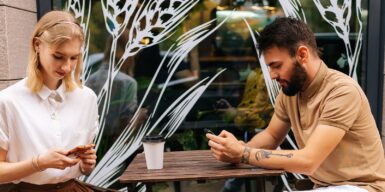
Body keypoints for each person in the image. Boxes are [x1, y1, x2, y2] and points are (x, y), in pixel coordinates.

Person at [206, 17, 385, 192]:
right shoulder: (290, 91)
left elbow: (308, 162)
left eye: (276, 65)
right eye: (269, 67)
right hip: (324, 187)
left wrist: (244, 154)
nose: (272, 75)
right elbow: (271, 136)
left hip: (363, 187)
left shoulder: (341, 91)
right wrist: (236, 149)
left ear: (302, 54)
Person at [0, 11, 103, 191]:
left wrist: (86, 165)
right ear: (37, 45)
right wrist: (39, 163)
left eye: (74, 57)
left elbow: (81, 166)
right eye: (58, 56)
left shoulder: (87, 99)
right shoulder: (8, 101)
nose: (67, 67)